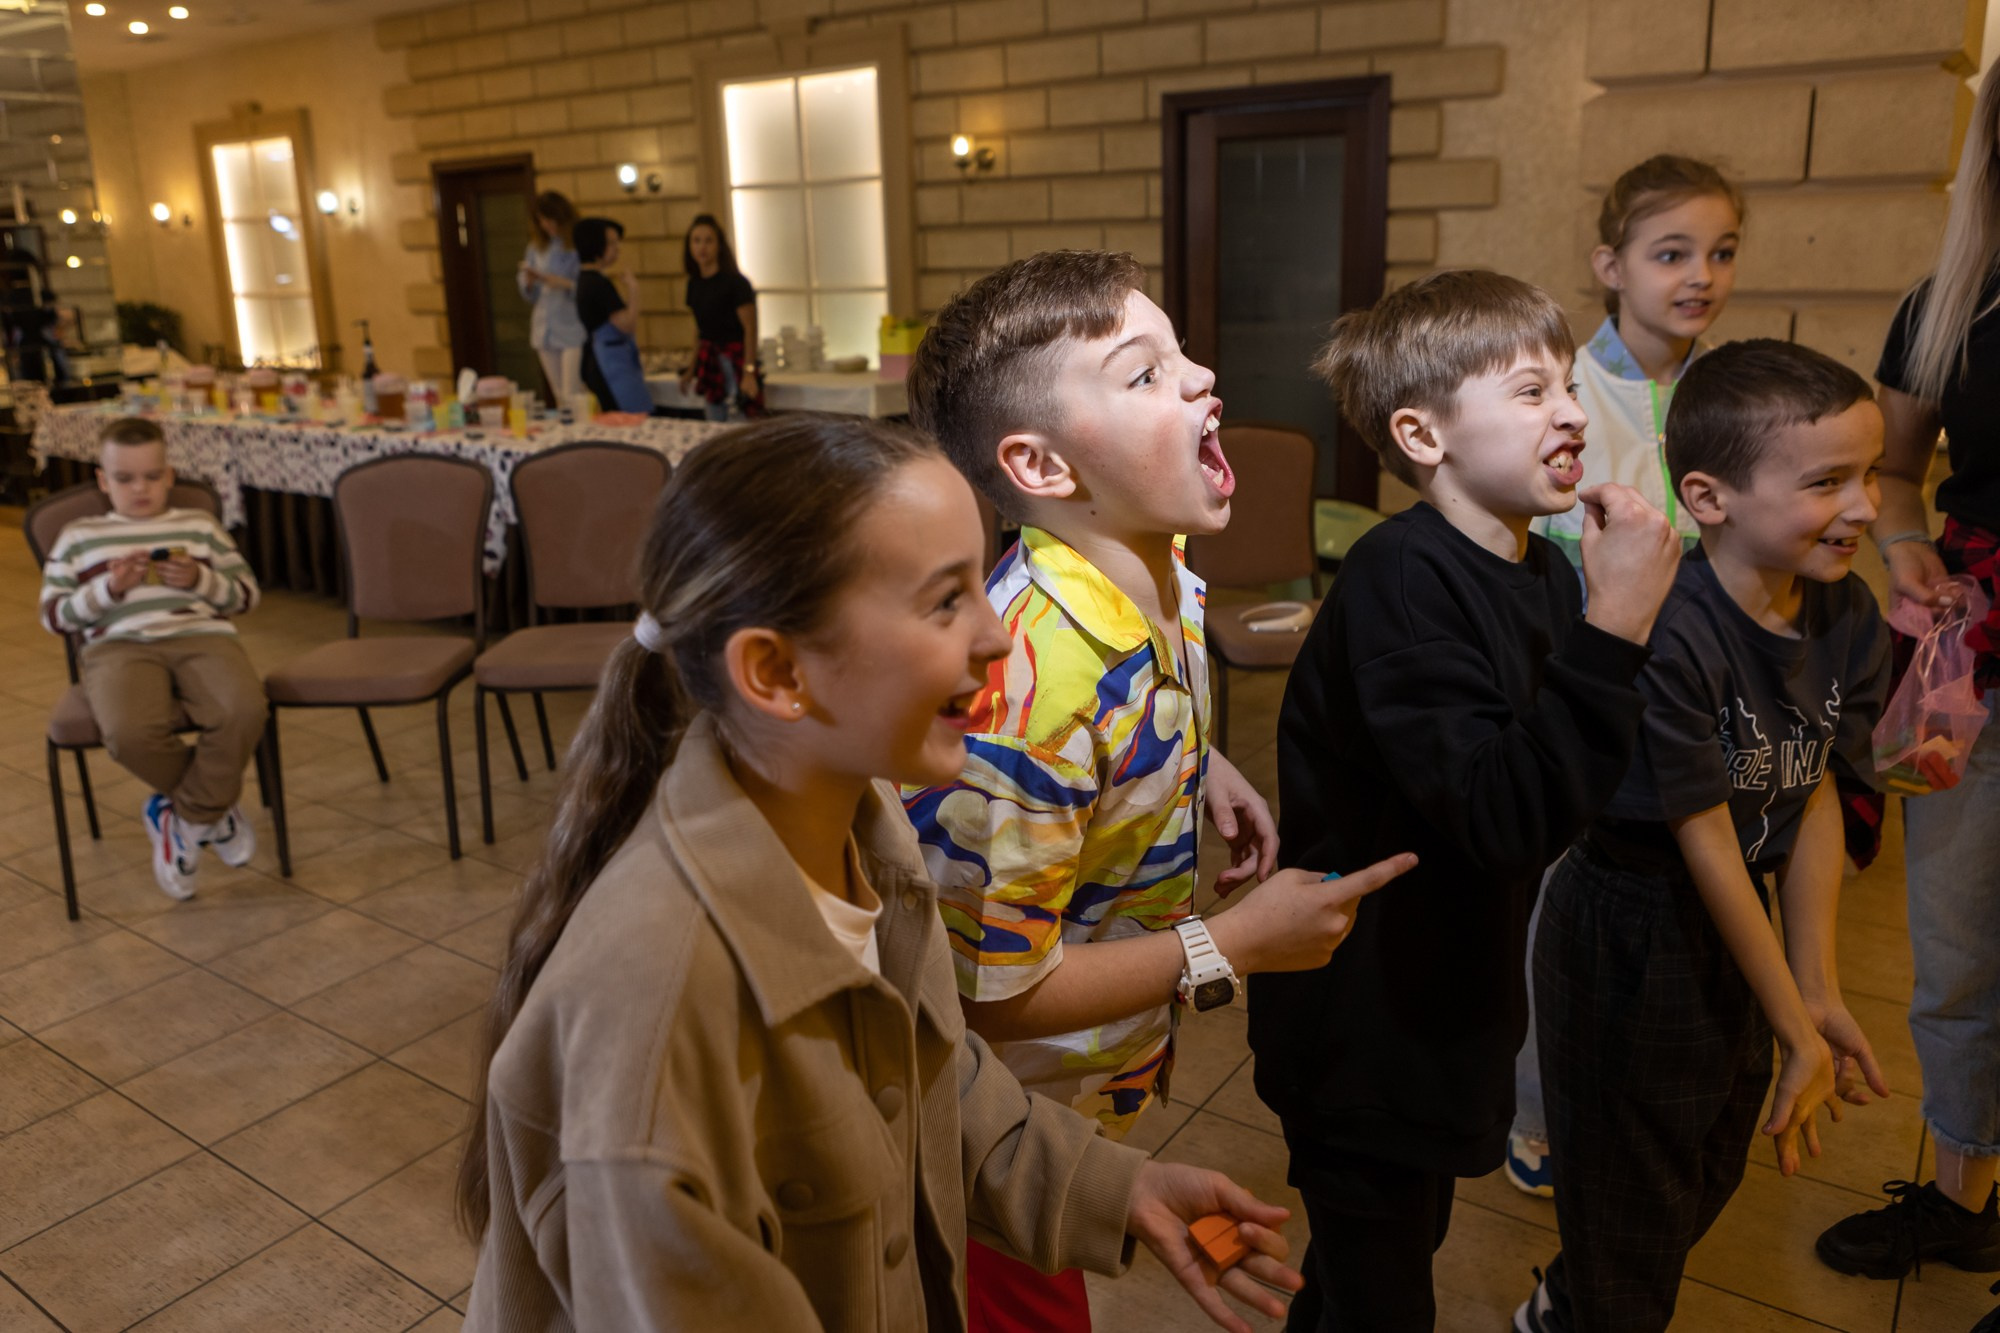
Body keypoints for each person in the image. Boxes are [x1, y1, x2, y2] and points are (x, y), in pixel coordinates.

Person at [457, 415, 1308, 1333]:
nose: (997, 632)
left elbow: (929, 1073)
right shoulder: (657, 1014)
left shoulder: (868, 842)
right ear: (778, 672)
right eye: (947, 601)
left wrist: (1115, 1186)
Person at [902, 249, 1415, 1332]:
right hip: (1004, 1133)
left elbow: (1139, 696)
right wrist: (1228, 945)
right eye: (1143, 374)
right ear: (1040, 467)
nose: (1199, 380)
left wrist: (1197, 765)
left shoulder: (1153, 554)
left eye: (1181, 353)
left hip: (1093, 1083)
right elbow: (993, 991)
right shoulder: (1027, 688)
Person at [1247, 269, 1684, 1332]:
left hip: (1447, 996)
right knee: (1381, 1295)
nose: (1573, 412)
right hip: (1363, 1021)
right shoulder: (1403, 579)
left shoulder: (1535, 570)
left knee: (1366, 1274)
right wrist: (1616, 622)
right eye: (1531, 391)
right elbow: (1506, 817)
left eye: (1569, 387)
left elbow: (1559, 772)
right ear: (1422, 432)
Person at [1515, 340, 1895, 1333]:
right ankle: (1580, 1308)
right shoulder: (1671, 631)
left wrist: (1813, 994)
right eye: (1825, 481)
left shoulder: (1846, 611)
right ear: (1708, 496)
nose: (1864, 505)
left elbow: (1808, 792)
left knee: (1708, 1160)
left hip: (1739, 912)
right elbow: (1702, 838)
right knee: (1629, 1195)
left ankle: (1571, 1295)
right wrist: (1791, 1022)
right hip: (1627, 919)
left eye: (1867, 472)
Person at [1508, 153, 1746, 1199]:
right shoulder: (1570, 386)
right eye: (1670, 252)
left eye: (1720, 251)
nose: (1699, 274)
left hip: (1694, 685)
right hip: (1583, 667)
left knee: (1658, 900)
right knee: (1550, 894)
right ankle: (1533, 1108)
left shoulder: (1722, 388)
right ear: (1611, 263)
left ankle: (1628, 1084)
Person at [1813, 57, 2000, 1291]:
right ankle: (1957, 1196)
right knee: (1959, 948)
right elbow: (1894, 474)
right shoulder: (1951, 302)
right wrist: (1905, 548)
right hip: (1977, 659)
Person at [37, 417, 264, 901]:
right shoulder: (79, 536)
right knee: (128, 731)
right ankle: (213, 812)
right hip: (117, 646)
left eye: (150, 476)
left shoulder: (200, 526)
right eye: (124, 478)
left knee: (243, 710)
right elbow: (54, 616)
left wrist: (200, 581)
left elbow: (246, 596)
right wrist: (109, 589)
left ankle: (182, 819)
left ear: (169, 475)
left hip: (203, 636)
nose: (139, 488)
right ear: (103, 480)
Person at [675, 213, 763, 422]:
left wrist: (749, 371)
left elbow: (750, 328)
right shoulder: (694, 283)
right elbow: (700, 331)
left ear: (719, 245)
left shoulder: (736, 282)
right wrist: (690, 369)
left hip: (735, 360)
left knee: (739, 424)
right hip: (710, 360)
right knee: (713, 425)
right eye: (696, 241)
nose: (702, 247)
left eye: (708, 241)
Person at [572, 216, 651, 415]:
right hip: (608, 362)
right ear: (596, 246)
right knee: (629, 419)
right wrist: (634, 290)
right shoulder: (598, 283)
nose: (617, 249)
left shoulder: (584, 279)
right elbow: (628, 324)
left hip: (596, 359)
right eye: (612, 243)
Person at [516, 191, 585, 411]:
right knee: (559, 396)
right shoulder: (536, 248)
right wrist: (528, 281)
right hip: (544, 327)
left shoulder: (576, 246)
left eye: (551, 219)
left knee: (573, 392)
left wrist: (563, 283)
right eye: (542, 221)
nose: (547, 225)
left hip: (572, 326)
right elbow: (530, 294)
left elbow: (586, 286)